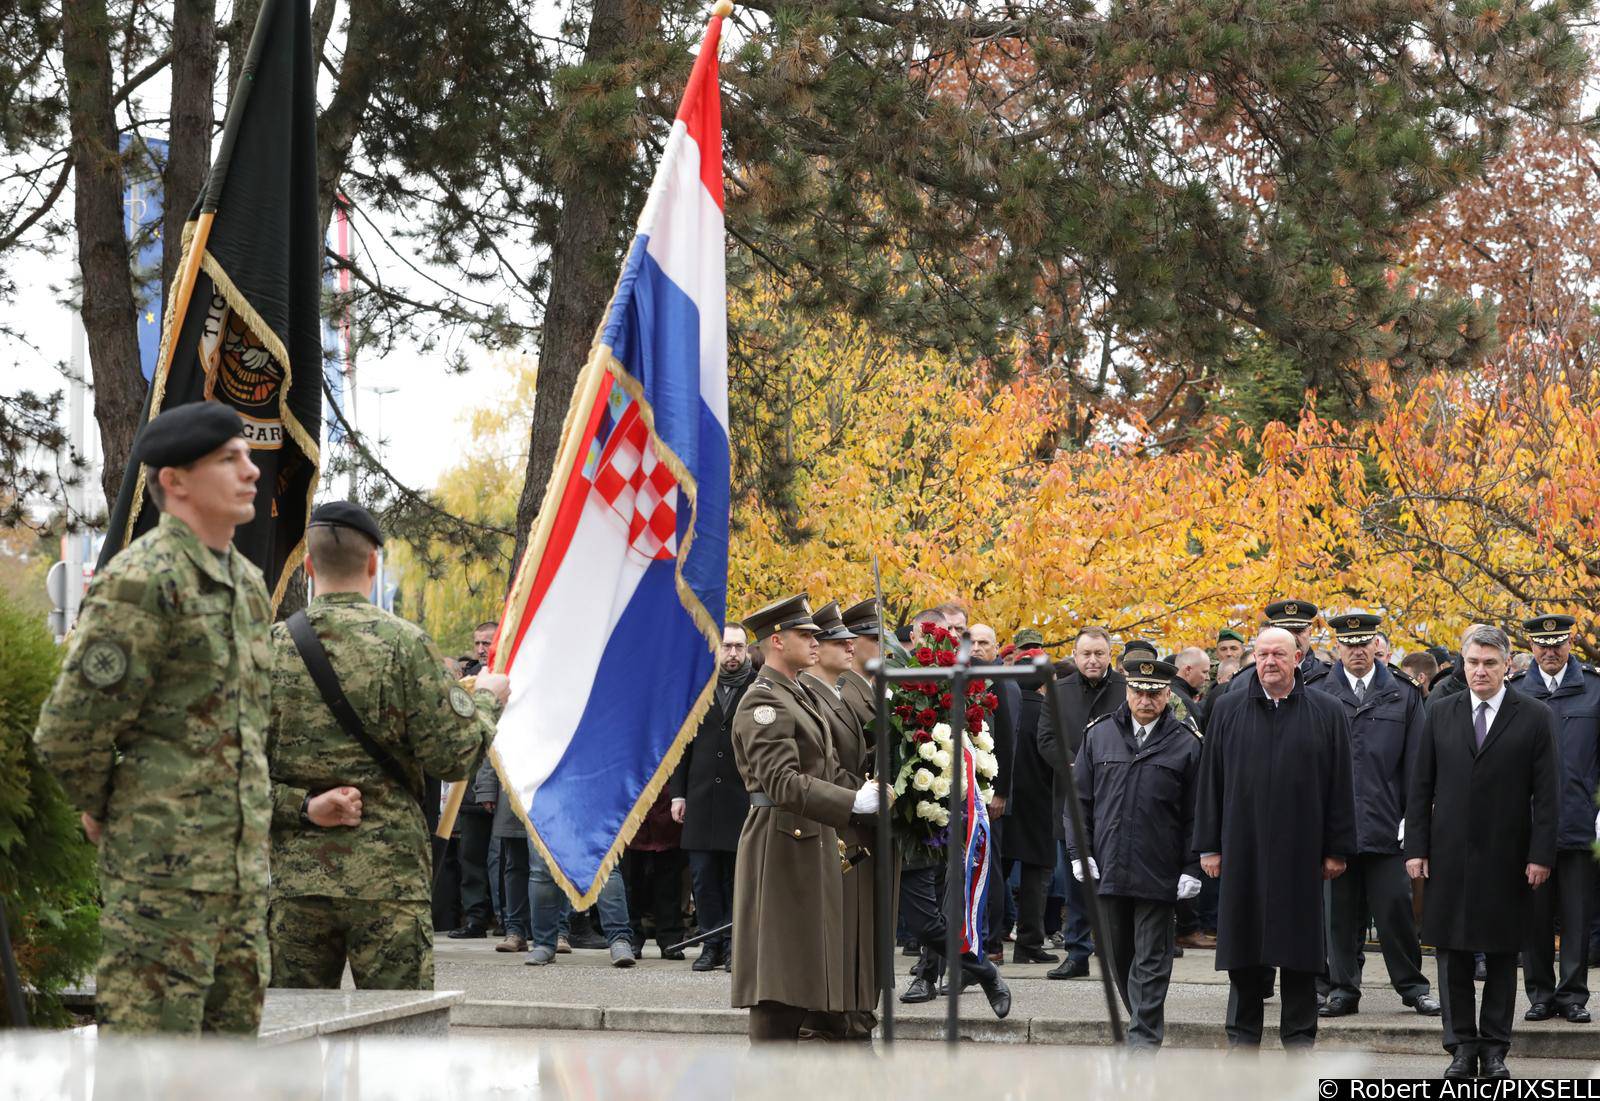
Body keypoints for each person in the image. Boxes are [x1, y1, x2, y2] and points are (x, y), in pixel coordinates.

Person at [34, 402, 273, 1034]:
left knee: (229, 1078)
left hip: (241, 890)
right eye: (229, 459)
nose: (251, 470)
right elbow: (68, 731)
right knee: (149, 1076)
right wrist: (110, 809)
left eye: (248, 455)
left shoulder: (246, 584)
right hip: (160, 891)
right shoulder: (142, 580)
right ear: (175, 481)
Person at [266, 501, 509, 988]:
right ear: (374, 563)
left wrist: (306, 806)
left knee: (287, 1048)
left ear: (309, 566)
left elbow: (232, 775)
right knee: (400, 1048)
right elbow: (454, 755)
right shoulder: (405, 645)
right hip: (389, 882)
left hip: (298, 885)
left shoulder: (268, 649)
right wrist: (486, 702)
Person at [730, 594, 893, 1042]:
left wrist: (862, 793)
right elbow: (781, 781)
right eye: (806, 634)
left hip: (809, 839)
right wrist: (850, 803)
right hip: (780, 842)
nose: (817, 640)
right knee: (779, 981)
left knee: (802, 974)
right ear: (776, 641)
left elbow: (820, 768)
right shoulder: (763, 702)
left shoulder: (795, 692)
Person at [1407, 625, 1558, 1080]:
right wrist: (1416, 847)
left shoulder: (1533, 715)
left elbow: (1547, 794)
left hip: (1507, 856)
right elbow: (1420, 786)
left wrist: (1541, 854)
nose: (1480, 671)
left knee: (1499, 954)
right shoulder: (1441, 710)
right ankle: (1460, 1046)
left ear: (1507, 666)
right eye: (1473, 662)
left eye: (1490, 663)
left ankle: (1493, 1048)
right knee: (1451, 954)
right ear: (1464, 662)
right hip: (1447, 854)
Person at [1194, 626, 1356, 1050]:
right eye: (1263, 654)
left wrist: (1337, 848)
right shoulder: (1228, 709)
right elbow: (1210, 781)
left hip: (1301, 851)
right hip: (1242, 847)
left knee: (1300, 953)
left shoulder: (1327, 711)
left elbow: (1341, 783)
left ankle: (1300, 1037)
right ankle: (1242, 1037)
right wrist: (1209, 845)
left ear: (1297, 659)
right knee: (1244, 951)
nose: (1270, 662)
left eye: (1279, 655)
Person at [1068, 657, 1203, 1049]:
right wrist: (1080, 851)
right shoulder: (1099, 735)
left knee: (1151, 960)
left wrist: (1192, 865)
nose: (1145, 700)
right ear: (1127, 692)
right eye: (1138, 692)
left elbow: (1198, 812)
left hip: (1158, 870)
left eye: (1154, 693)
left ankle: (1143, 1040)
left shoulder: (1186, 743)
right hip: (1109, 866)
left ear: (1167, 695)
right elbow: (1078, 802)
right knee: (1118, 956)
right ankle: (1141, 1024)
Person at [1317, 613, 1438, 1018]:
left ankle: (1413, 987)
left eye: (1364, 643)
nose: (1357, 651)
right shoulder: (1319, 690)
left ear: (1376, 646)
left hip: (1388, 826)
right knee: (1338, 917)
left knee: (1395, 911)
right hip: (1335, 829)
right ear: (1338, 648)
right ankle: (1342, 989)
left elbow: (1419, 764)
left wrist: (1412, 818)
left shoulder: (1402, 694)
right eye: (1349, 644)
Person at [1512, 613, 1600, 1025]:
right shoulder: (1514, 693)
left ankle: (1573, 996)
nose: (1550, 651)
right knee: (1533, 917)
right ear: (1531, 647)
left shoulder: (1595, 690)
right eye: (1542, 645)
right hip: (1527, 826)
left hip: (1580, 819)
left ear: (1570, 644)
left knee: (1578, 915)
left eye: (1558, 643)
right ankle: (1540, 994)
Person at [800, 602, 879, 1041]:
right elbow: (820, 768)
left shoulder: (840, 692)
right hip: (835, 820)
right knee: (836, 928)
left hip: (853, 818)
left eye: (850, 639)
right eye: (837, 641)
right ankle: (832, 1017)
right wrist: (866, 790)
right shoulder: (812, 694)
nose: (849, 646)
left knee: (856, 929)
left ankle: (853, 1013)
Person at [1036, 627, 1126, 980]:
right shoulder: (1058, 693)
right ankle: (1077, 952)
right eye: (1086, 653)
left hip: (1117, 800)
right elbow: (1045, 739)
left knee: (1115, 879)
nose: (1092, 660)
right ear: (1075, 655)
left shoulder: (1125, 689)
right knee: (1075, 880)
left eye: (1099, 653)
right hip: (1071, 801)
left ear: (1109, 655)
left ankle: (1116, 952)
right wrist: (1074, 764)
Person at [671, 624, 756, 972]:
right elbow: (682, 747)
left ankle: (736, 944)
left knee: (737, 878)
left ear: (747, 651)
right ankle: (710, 943)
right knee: (703, 877)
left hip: (742, 799)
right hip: (701, 798)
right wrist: (678, 795)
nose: (732, 653)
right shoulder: (698, 689)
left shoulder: (758, 688)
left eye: (738, 647)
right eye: (726, 647)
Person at [1004, 630, 1062, 965]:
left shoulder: (1005, 708)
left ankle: (993, 936)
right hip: (1041, 802)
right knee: (1036, 876)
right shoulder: (1050, 712)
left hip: (1007, 800)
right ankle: (1029, 942)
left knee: (998, 869)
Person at [969, 623, 1021, 962]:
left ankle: (991, 942)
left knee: (991, 867)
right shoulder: (970, 680)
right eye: (970, 642)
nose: (975, 648)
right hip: (969, 789)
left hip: (991, 794)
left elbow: (1007, 741)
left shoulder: (1001, 684)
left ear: (996, 647)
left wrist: (1001, 792)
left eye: (983, 642)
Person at [622, 788, 687, 960]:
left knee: (669, 883)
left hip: (667, 809)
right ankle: (632, 938)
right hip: (632, 808)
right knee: (631, 883)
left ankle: (670, 940)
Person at [1170, 647, 1210, 733]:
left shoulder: (1166, 692)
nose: (1208, 678)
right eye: (1204, 672)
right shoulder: (1183, 702)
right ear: (1188, 670)